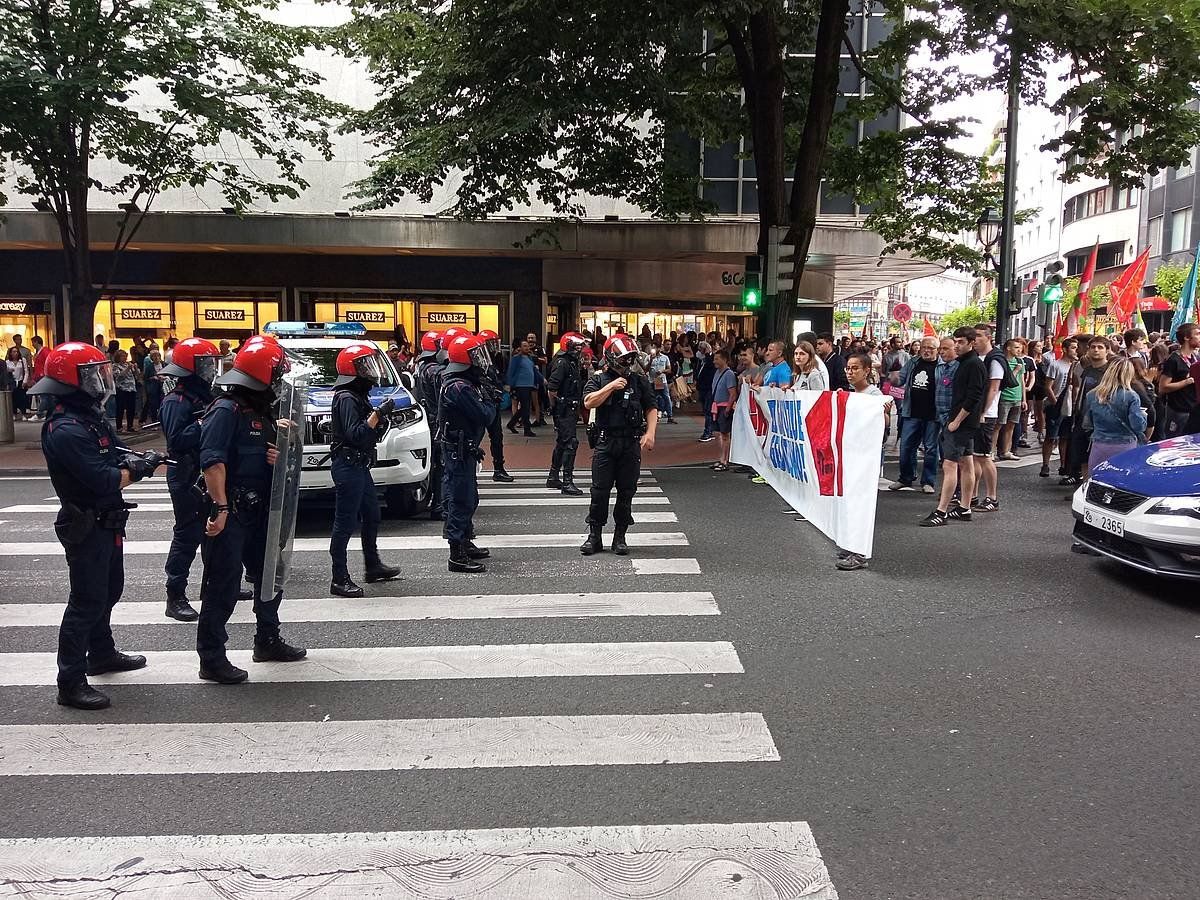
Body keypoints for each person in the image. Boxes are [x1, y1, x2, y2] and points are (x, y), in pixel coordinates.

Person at [30, 342, 167, 709]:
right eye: (92, 373)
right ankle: (70, 681)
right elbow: (104, 478)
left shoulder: (89, 418)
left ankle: (101, 653)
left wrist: (145, 457)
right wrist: (138, 469)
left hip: (106, 520)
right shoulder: (65, 429)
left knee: (108, 590)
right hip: (86, 521)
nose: (100, 379)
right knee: (85, 601)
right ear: (72, 382)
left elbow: (116, 449)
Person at [197, 339, 307, 685]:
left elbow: (272, 458)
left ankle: (267, 639)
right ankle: (212, 658)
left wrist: (282, 452)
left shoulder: (262, 413)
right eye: (275, 374)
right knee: (223, 586)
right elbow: (212, 462)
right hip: (232, 513)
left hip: (260, 511)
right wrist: (221, 507)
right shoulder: (224, 411)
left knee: (269, 577)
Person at [160, 337, 242, 623]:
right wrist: (204, 423)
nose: (210, 369)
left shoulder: (207, 395)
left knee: (212, 531)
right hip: (185, 473)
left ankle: (214, 584)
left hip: (204, 470)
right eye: (204, 363)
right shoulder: (176, 400)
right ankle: (176, 595)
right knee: (187, 534)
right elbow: (177, 440)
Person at [326, 343, 402, 597]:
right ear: (353, 370)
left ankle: (372, 565)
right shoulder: (346, 397)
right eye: (364, 366)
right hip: (348, 465)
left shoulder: (357, 395)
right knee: (345, 523)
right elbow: (356, 433)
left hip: (358, 464)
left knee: (372, 514)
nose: (370, 371)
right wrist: (377, 415)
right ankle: (339, 578)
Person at [581, 334, 658, 555]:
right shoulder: (599, 379)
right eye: (623, 359)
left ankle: (620, 537)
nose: (627, 363)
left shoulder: (639, 380)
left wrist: (650, 433)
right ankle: (594, 536)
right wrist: (611, 387)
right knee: (599, 492)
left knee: (626, 492)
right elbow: (588, 401)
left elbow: (651, 407)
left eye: (630, 359)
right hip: (606, 442)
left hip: (630, 443)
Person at [439, 334, 497, 573]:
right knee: (461, 501)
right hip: (458, 452)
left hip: (464, 449)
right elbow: (484, 415)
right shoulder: (459, 388)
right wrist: (490, 401)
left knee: (469, 499)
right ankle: (456, 554)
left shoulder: (461, 384)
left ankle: (464, 542)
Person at [921, 327, 986, 527]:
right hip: (959, 421)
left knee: (949, 465)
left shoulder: (973, 364)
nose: (956, 345)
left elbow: (974, 396)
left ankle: (941, 511)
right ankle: (964, 507)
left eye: (960, 342)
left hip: (961, 423)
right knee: (966, 463)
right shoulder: (964, 363)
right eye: (955, 341)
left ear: (971, 343)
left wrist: (957, 420)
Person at [837, 353, 891, 570]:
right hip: (851, 454)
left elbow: (885, 423)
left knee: (862, 502)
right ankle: (852, 544)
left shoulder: (874, 394)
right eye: (848, 368)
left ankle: (859, 554)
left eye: (855, 368)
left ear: (867, 371)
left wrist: (884, 413)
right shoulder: (851, 393)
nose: (850, 372)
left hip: (865, 457)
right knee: (850, 500)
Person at [889, 336, 941, 493]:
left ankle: (928, 481)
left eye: (931, 348)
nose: (926, 350)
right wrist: (894, 377)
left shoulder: (943, 365)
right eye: (924, 347)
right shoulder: (913, 362)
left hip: (933, 413)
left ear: (937, 350)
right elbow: (900, 380)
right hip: (912, 411)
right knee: (906, 446)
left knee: (931, 448)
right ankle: (906, 477)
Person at [1061, 336, 1112, 486]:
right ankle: (1085, 489)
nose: (1096, 350)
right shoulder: (1087, 369)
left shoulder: (1110, 371)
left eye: (1100, 347)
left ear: (1107, 350)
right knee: (1083, 456)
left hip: (1102, 421)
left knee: (1099, 457)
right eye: (1093, 347)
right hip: (1083, 418)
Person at [1083, 358, 1147, 472]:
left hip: (1099, 445)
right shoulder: (1131, 396)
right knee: (1123, 483)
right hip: (1125, 445)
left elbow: (1087, 424)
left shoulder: (1092, 395)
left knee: (1099, 482)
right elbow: (1138, 426)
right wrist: (1143, 416)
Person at [546, 331, 588, 495]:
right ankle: (567, 481)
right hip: (564, 408)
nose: (579, 349)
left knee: (563, 442)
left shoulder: (570, 361)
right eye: (576, 346)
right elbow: (552, 388)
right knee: (570, 442)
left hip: (569, 407)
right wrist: (557, 406)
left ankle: (553, 476)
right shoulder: (563, 362)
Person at [973, 326, 1008, 511]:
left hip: (987, 414)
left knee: (985, 456)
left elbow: (994, 388)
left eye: (978, 336)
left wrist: (983, 412)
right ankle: (972, 494)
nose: (975, 339)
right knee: (974, 456)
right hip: (975, 413)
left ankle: (992, 497)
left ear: (988, 337)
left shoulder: (994, 359)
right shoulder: (976, 357)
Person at [414, 330, 446, 519]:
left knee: (436, 464)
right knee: (441, 465)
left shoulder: (423, 366)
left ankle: (436, 502)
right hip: (436, 421)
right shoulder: (434, 370)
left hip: (430, 418)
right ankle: (439, 505)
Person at [475, 329, 514, 482]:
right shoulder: (478, 361)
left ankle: (499, 468)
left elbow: (498, 377)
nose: (494, 347)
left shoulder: (495, 360)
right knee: (476, 437)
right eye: (491, 344)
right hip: (482, 404)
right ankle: (471, 468)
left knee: (497, 437)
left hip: (493, 404)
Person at [1040, 338, 1077, 479]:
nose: (1075, 350)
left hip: (1069, 405)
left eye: (1076, 348)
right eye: (1073, 347)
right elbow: (1048, 386)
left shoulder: (1076, 365)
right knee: (1051, 436)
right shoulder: (1056, 365)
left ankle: (1063, 465)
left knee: (1065, 437)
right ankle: (1045, 464)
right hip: (1056, 404)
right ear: (1065, 349)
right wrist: (1054, 401)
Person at [1158, 322, 1199, 438]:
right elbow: (1163, 387)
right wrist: (1186, 382)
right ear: (1186, 337)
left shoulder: (1196, 358)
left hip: (1194, 411)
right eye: (1197, 334)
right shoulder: (1174, 360)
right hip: (1178, 412)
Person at [994, 338, 1026, 461]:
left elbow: (1022, 381)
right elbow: (1006, 380)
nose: (1019, 350)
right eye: (1016, 347)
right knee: (999, 424)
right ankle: (992, 450)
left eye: (1020, 347)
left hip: (1017, 397)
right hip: (1005, 397)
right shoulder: (1002, 362)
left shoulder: (1020, 361)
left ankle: (1006, 450)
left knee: (1011, 425)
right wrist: (1016, 370)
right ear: (1008, 348)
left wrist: (1024, 399)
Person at [709, 349, 737, 471]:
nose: (714, 361)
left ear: (724, 360)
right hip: (717, 406)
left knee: (725, 434)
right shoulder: (717, 372)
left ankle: (725, 460)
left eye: (717, 359)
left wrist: (727, 408)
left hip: (724, 407)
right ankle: (721, 458)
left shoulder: (729, 374)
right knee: (719, 434)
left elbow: (732, 393)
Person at [506, 339, 538, 437]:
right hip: (520, 386)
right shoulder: (516, 358)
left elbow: (534, 371)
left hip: (529, 385)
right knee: (525, 407)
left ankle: (511, 424)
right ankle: (527, 429)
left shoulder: (530, 358)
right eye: (524, 346)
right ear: (520, 347)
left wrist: (541, 379)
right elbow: (511, 371)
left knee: (525, 407)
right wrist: (509, 384)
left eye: (527, 346)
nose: (527, 347)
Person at [111, 349, 139, 433]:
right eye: (122, 356)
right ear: (118, 357)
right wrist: (127, 369)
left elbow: (136, 376)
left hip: (131, 388)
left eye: (125, 356)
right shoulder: (115, 366)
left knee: (131, 408)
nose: (125, 358)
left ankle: (130, 426)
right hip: (122, 389)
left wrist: (136, 369)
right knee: (120, 408)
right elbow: (119, 376)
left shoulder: (128, 364)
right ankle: (119, 427)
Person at [647, 342, 675, 423]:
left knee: (666, 397)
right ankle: (654, 416)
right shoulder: (649, 357)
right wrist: (651, 360)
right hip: (652, 380)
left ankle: (670, 416)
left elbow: (669, 369)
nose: (655, 350)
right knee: (653, 398)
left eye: (656, 348)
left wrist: (662, 371)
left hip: (662, 381)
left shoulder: (665, 357)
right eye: (654, 348)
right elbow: (645, 368)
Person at [695, 340, 716, 441]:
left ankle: (708, 431)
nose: (700, 352)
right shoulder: (701, 360)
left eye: (702, 350)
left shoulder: (711, 359)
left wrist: (708, 353)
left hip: (709, 387)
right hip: (702, 387)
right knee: (705, 410)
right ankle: (710, 430)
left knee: (708, 410)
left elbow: (711, 365)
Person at [140, 348, 164, 425]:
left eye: (157, 356)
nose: (156, 357)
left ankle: (162, 419)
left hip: (163, 386)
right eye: (154, 356)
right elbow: (145, 377)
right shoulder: (149, 366)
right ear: (151, 358)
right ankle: (154, 420)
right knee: (153, 404)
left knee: (162, 403)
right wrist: (153, 377)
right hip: (153, 387)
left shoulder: (164, 364)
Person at [5, 346, 29, 419]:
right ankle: (14, 413)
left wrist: (25, 381)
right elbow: (5, 372)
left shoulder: (22, 360)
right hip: (12, 381)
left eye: (16, 352)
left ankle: (23, 413)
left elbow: (26, 371)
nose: (15, 353)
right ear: (10, 353)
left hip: (20, 380)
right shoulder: (7, 362)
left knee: (22, 398)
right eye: (13, 352)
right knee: (13, 398)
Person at [30, 336, 50, 419]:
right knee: (44, 396)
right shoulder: (39, 352)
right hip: (40, 376)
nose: (32, 345)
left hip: (43, 376)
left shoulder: (45, 351)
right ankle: (44, 413)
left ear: (37, 342)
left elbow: (48, 362)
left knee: (44, 396)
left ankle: (40, 413)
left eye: (33, 342)